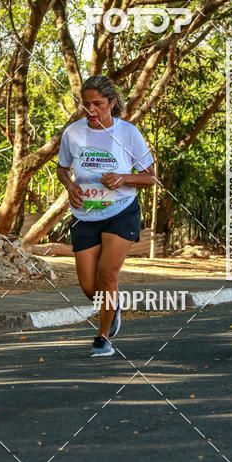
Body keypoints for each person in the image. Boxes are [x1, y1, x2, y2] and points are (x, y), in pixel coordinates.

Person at [56, 76, 156, 357]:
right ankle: (113, 307)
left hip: (121, 212)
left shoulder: (128, 133)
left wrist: (123, 178)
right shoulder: (73, 133)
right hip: (85, 214)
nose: (91, 110)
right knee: (89, 286)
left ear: (112, 103)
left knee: (107, 273)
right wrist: (70, 186)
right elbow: (62, 168)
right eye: (86, 104)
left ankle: (103, 338)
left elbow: (150, 178)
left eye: (98, 104)